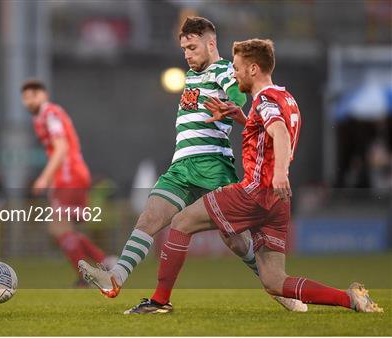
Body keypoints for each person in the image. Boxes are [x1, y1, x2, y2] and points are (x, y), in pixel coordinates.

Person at [124, 38, 383, 314]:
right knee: (274, 281)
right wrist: (240, 116)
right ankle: (350, 299)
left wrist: (281, 172)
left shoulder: (265, 99)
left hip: (255, 192)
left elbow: (279, 132)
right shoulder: (285, 97)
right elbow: (267, 133)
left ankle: (159, 301)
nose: (233, 73)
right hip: (278, 202)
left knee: (181, 221)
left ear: (254, 69)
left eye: (237, 68)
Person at [78, 17, 305, 312]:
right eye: (184, 48)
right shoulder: (190, 75)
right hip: (182, 166)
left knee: (237, 242)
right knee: (149, 218)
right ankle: (115, 278)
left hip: (213, 165)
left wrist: (232, 108)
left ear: (211, 43)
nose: (187, 53)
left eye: (192, 47)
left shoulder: (224, 70)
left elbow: (242, 98)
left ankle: (278, 288)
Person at [21, 79, 114, 286]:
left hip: (69, 175)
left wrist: (45, 177)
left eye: (32, 96)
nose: (28, 101)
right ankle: (104, 263)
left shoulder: (50, 114)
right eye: (25, 98)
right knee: (65, 230)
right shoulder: (41, 118)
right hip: (70, 175)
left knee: (58, 229)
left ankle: (92, 271)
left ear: (43, 95)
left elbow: (61, 147)